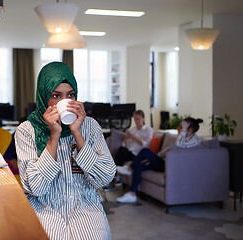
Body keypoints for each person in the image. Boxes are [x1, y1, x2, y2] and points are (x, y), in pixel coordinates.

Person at [15, 62, 116, 240]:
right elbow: (36, 188)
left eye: (70, 95)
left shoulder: (89, 126)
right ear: (43, 97)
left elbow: (105, 177)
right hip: (44, 207)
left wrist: (77, 132)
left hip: (85, 205)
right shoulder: (26, 130)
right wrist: (54, 136)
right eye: (56, 95)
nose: (64, 102)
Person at [116, 117, 203, 203]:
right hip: (163, 162)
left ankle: (129, 169)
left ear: (190, 129)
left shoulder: (195, 140)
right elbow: (168, 150)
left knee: (145, 151)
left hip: (169, 166)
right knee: (139, 165)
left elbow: (177, 148)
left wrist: (183, 132)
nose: (180, 129)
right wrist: (152, 158)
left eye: (182, 127)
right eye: (181, 127)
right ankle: (132, 194)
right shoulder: (184, 137)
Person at [104, 110, 153, 191]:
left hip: (138, 154)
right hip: (129, 152)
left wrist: (135, 138)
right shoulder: (132, 130)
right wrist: (126, 138)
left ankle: (113, 178)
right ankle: (115, 177)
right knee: (121, 150)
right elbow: (125, 145)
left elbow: (147, 145)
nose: (136, 121)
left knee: (121, 152)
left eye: (138, 119)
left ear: (143, 119)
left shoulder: (148, 130)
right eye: (135, 119)